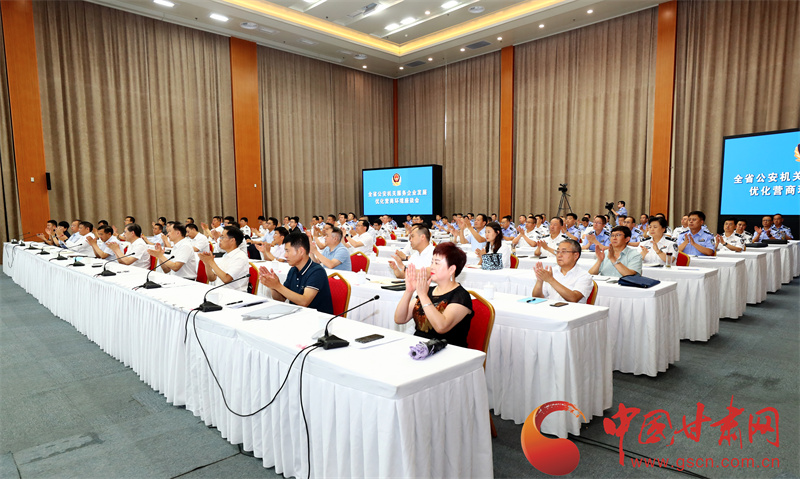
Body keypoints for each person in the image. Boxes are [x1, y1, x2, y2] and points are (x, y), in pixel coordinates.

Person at [393, 242, 474, 348]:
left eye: (437, 263)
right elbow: (400, 319)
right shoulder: (428, 290)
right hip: (419, 348)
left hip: (447, 350)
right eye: (432, 262)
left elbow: (441, 327)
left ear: (451, 269)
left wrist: (423, 296)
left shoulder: (461, 296)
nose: (431, 267)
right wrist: (409, 291)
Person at [258, 233, 334, 314]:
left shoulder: (317, 271)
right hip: (297, 315)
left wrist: (278, 286)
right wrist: (272, 286)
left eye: (287, 251)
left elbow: (304, 301)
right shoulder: (293, 270)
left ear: (301, 251)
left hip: (317, 318)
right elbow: (281, 299)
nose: (285, 255)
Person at [531, 239, 593, 304]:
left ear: (576, 256)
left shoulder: (584, 276)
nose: (559, 255)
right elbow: (537, 298)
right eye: (557, 251)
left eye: (564, 252)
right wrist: (539, 281)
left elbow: (574, 298)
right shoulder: (552, 271)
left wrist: (551, 280)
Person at [198, 226, 250, 292]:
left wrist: (211, 262)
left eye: (222, 237)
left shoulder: (240, 257)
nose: (220, 240)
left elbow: (226, 279)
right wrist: (207, 263)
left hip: (234, 294)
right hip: (221, 292)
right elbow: (212, 278)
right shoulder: (226, 255)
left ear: (232, 240)